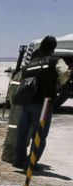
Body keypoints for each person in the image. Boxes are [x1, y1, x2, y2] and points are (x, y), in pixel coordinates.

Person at [14, 35, 71, 169]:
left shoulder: (32, 62)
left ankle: (19, 160)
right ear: (53, 48)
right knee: (39, 135)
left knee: (22, 133)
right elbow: (65, 73)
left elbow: (22, 76)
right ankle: (31, 163)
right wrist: (58, 85)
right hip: (44, 104)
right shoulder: (56, 61)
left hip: (27, 102)